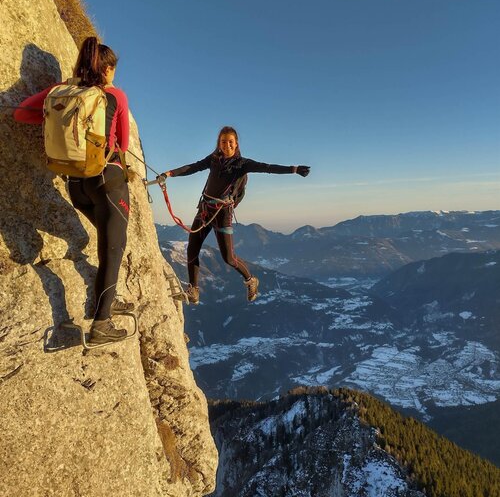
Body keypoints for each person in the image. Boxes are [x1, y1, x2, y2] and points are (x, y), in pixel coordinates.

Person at [14, 36, 133, 344]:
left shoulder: (60, 92)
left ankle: (109, 295)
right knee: (114, 245)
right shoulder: (115, 96)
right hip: (108, 179)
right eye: (113, 71)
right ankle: (102, 323)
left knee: (109, 241)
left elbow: (21, 113)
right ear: (106, 69)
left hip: (76, 185)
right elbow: (123, 143)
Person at [162, 126, 310, 304]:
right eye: (223, 142)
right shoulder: (213, 160)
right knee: (192, 248)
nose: (227, 145)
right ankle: (193, 290)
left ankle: (250, 279)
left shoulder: (242, 164)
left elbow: (267, 168)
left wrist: (293, 169)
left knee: (229, 258)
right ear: (219, 143)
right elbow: (193, 167)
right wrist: (169, 173)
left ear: (236, 143)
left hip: (222, 213)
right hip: (205, 210)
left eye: (230, 142)